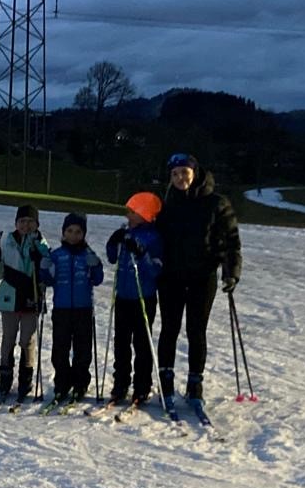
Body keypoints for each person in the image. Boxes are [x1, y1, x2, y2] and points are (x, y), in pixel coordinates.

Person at [154, 153, 242, 403]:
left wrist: (231, 272)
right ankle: (166, 379)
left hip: (202, 277)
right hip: (171, 276)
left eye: (184, 172)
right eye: (175, 174)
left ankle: (195, 383)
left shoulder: (216, 203)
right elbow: (155, 236)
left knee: (196, 329)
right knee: (169, 328)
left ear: (195, 172)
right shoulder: (167, 204)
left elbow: (231, 241)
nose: (180, 178)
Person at [103, 193, 165, 408]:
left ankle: (142, 386)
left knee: (142, 344)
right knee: (121, 343)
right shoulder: (125, 233)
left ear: (144, 214)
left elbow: (156, 269)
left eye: (132, 212)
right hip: (123, 296)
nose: (127, 215)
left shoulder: (153, 237)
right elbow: (112, 258)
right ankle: (120, 384)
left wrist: (141, 253)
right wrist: (113, 243)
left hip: (143, 297)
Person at [0, 204, 53, 404]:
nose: (26, 225)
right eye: (22, 221)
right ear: (16, 223)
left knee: (27, 340)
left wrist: (40, 259)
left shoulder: (42, 244)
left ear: (37, 224)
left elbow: (48, 271)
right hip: (10, 297)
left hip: (31, 296)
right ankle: (5, 379)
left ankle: (26, 380)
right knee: (8, 339)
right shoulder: (7, 241)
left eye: (30, 221)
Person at [44, 212, 105, 405]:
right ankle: (62, 384)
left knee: (82, 349)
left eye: (78, 232)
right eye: (69, 231)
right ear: (63, 232)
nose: (73, 235)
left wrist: (96, 266)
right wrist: (44, 268)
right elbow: (47, 280)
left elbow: (97, 279)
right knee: (60, 349)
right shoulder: (56, 255)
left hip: (83, 309)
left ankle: (80, 383)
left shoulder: (87, 254)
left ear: (83, 234)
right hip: (62, 309)